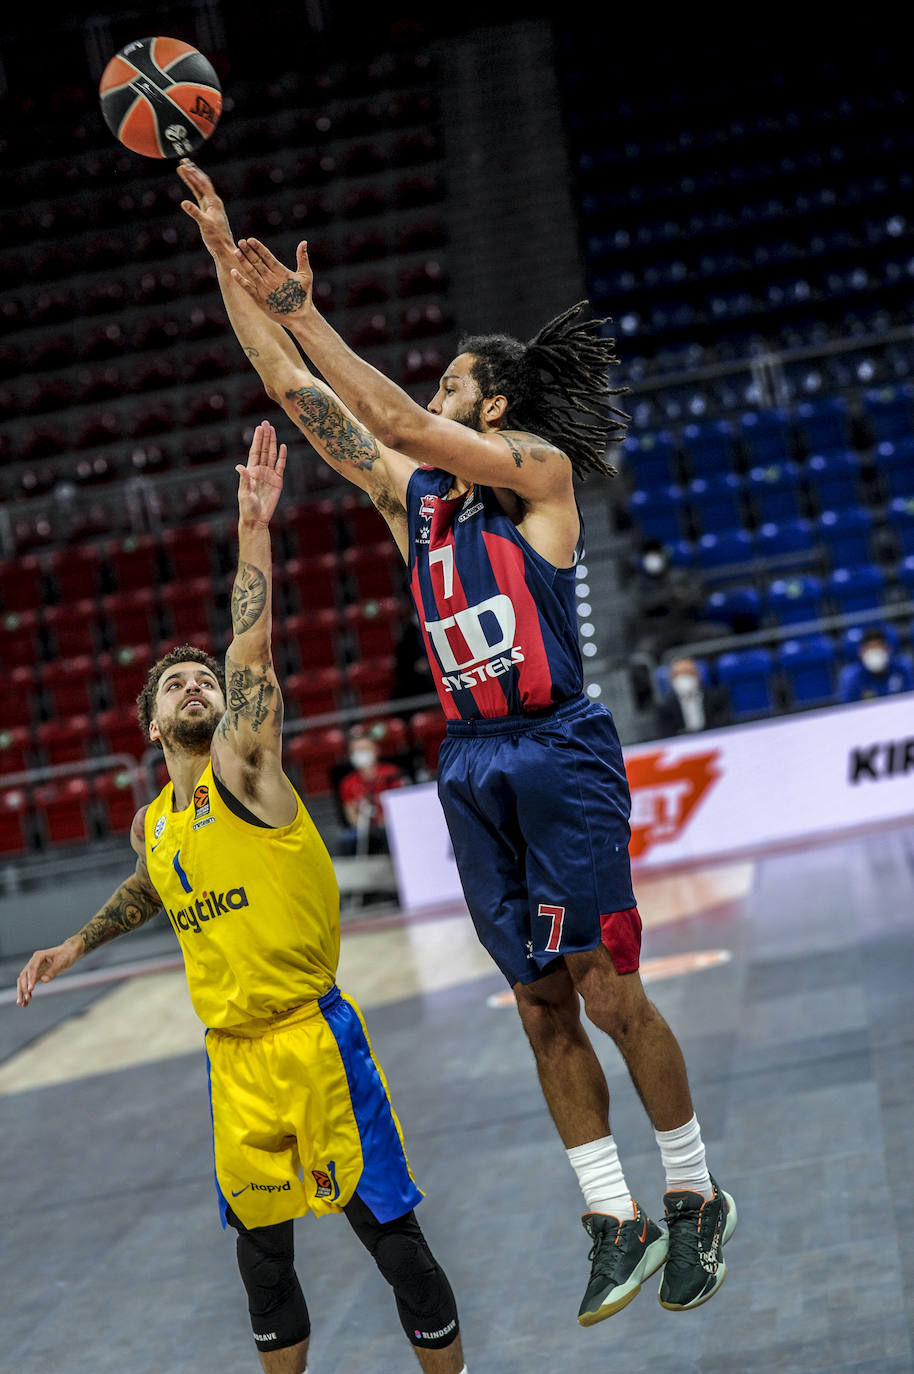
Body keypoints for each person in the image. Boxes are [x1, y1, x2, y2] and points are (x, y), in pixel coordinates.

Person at [177, 158, 737, 1323]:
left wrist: (304, 306)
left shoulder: (538, 474)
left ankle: (689, 1191)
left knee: (606, 988)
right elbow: (299, 393)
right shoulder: (413, 503)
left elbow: (382, 409)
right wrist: (229, 261)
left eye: (447, 386)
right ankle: (610, 1217)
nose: (426, 400)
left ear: (489, 404)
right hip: (471, 760)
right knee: (538, 1003)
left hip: (555, 748)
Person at [16, 422, 467, 1374]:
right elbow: (153, 886)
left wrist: (253, 529)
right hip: (233, 1063)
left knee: (393, 1243)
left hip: (313, 1040)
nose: (195, 685)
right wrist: (72, 947)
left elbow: (250, 649)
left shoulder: (250, 771)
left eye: (202, 679)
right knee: (262, 1263)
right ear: (149, 725)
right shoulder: (155, 823)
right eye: (174, 683)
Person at [338, 723, 405, 855]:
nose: (360, 754)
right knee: (347, 839)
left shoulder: (391, 773)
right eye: (356, 751)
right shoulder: (347, 783)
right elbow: (352, 815)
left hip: (391, 823)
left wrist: (383, 822)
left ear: (375, 750)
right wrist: (370, 828)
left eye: (364, 749)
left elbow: (400, 806)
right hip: (365, 828)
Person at [655, 657, 733, 736]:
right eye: (678, 674)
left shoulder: (717, 697)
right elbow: (666, 735)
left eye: (688, 673)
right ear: (671, 680)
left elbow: (725, 725)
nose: (684, 678)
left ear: (698, 675)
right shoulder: (665, 707)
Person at [837, 627, 914, 702]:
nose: (874, 651)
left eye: (878, 646)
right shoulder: (852, 677)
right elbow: (848, 708)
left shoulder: (902, 668)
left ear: (888, 649)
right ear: (860, 652)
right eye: (870, 647)